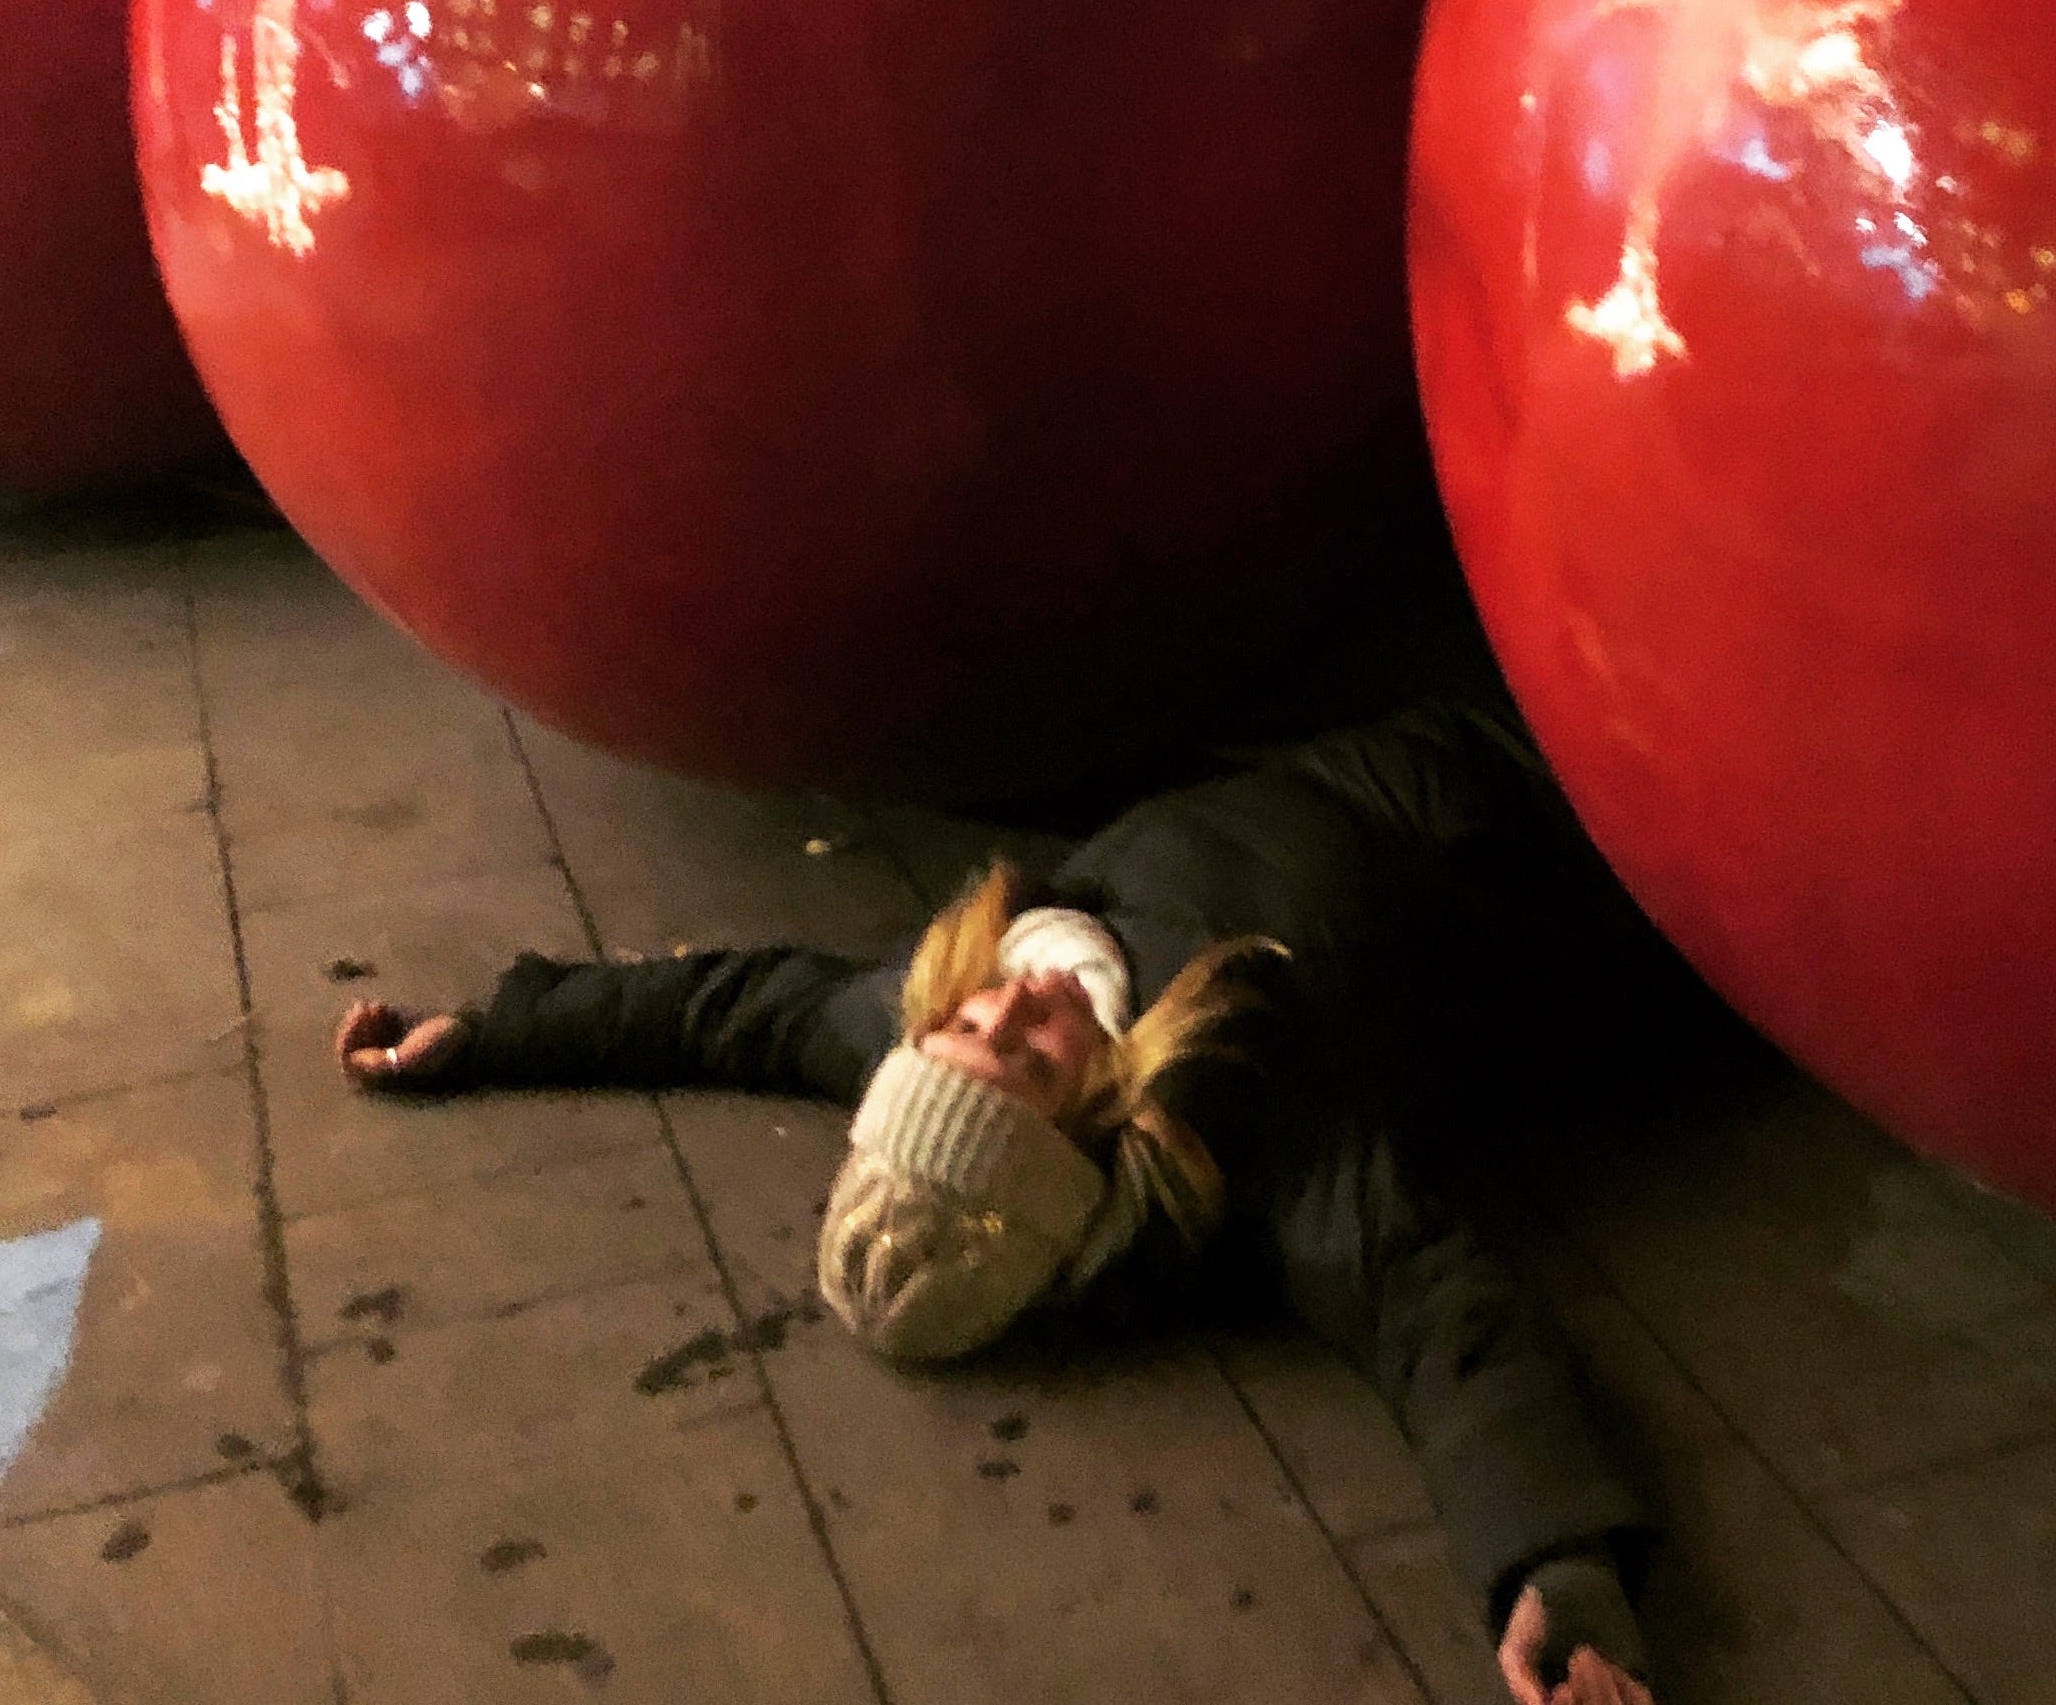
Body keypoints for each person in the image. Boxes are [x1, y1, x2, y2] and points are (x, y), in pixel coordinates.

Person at [335, 570, 1666, 1705]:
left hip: (1323, 735)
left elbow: (723, 1008)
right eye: (1028, 1055)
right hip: (1543, 806)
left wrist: (492, 1035)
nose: (1015, 1000)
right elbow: (1437, 1316)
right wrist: (1557, 1569)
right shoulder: (1254, 1121)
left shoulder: (912, 1032)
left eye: (968, 1026)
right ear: (1090, 1136)